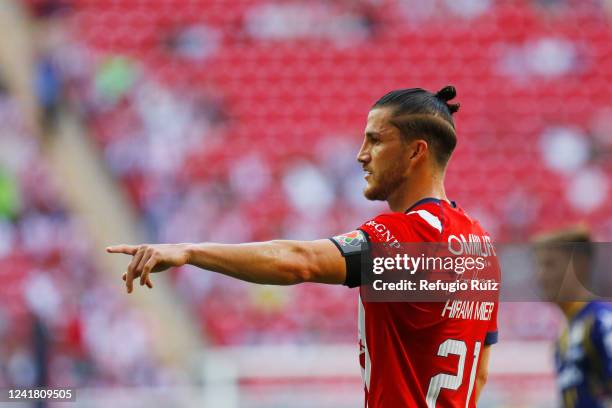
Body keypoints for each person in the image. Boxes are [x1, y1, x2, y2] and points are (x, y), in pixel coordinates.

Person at [107, 85, 499, 407]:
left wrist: (190, 253)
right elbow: (479, 373)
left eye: (376, 141)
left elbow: (299, 262)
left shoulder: (406, 236)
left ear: (416, 151)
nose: (361, 155)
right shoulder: (481, 246)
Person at [533, 225, 612, 408]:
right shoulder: (565, 335)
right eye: (539, 266)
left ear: (579, 265)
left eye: (550, 264)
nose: (540, 276)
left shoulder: (601, 323)